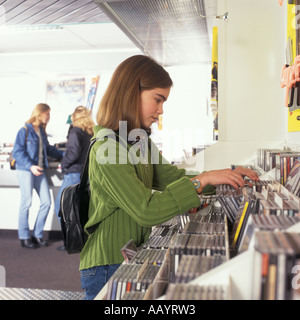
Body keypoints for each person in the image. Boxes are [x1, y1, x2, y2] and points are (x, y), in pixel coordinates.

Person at [79, 55, 260, 300]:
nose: (161, 110)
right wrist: (202, 181)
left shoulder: (138, 141)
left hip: (129, 257)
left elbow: (172, 177)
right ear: (132, 92)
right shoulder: (107, 150)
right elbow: (146, 209)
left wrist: (221, 177)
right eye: (157, 99)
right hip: (106, 265)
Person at [12, 103, 64, 249]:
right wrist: (30, 166)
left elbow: (48, 149)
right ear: (39, 113)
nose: (49, 117)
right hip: (26, 170)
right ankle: (24, 237)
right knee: (26, 202)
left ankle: (37, 234)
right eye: (47, 113)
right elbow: (17, 152)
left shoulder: (41, 131)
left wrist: (66, 155)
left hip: (39, 170)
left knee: (46, 203)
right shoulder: (24, 130)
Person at [54, 106, 95, 250]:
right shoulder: (90, 132)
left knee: (61, 208)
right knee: (81, 209)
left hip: (73, 174)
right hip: (87, 174)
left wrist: (63, 166)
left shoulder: (75, 131)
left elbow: (72, 152)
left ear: (75, 118)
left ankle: (70, 243)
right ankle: (84, 240)